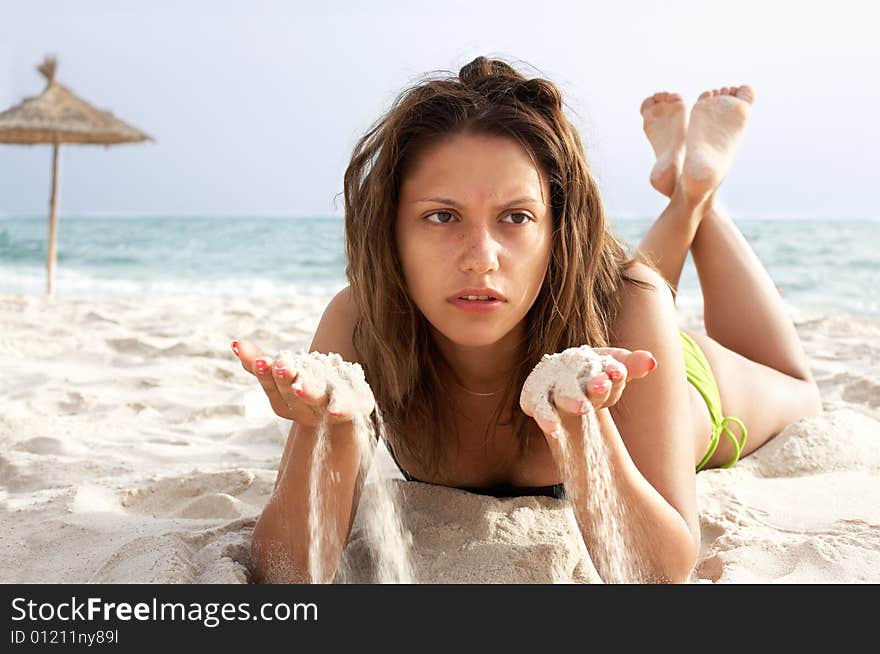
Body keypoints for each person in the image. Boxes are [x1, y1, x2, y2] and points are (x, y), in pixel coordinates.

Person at [231, 56, 821, 584]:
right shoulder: (362, 324)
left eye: (515, 216)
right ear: (392, 233)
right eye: (441, 216)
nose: (480, 256)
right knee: (625, 290)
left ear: (556, 232)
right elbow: (287, 576)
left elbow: (656, 575)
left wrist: (582, 425)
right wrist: (323, 432)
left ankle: (697, 192)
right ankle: (685, 188)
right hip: (591, 315)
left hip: (671, 375)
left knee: (798, 391)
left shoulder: (632, 309)